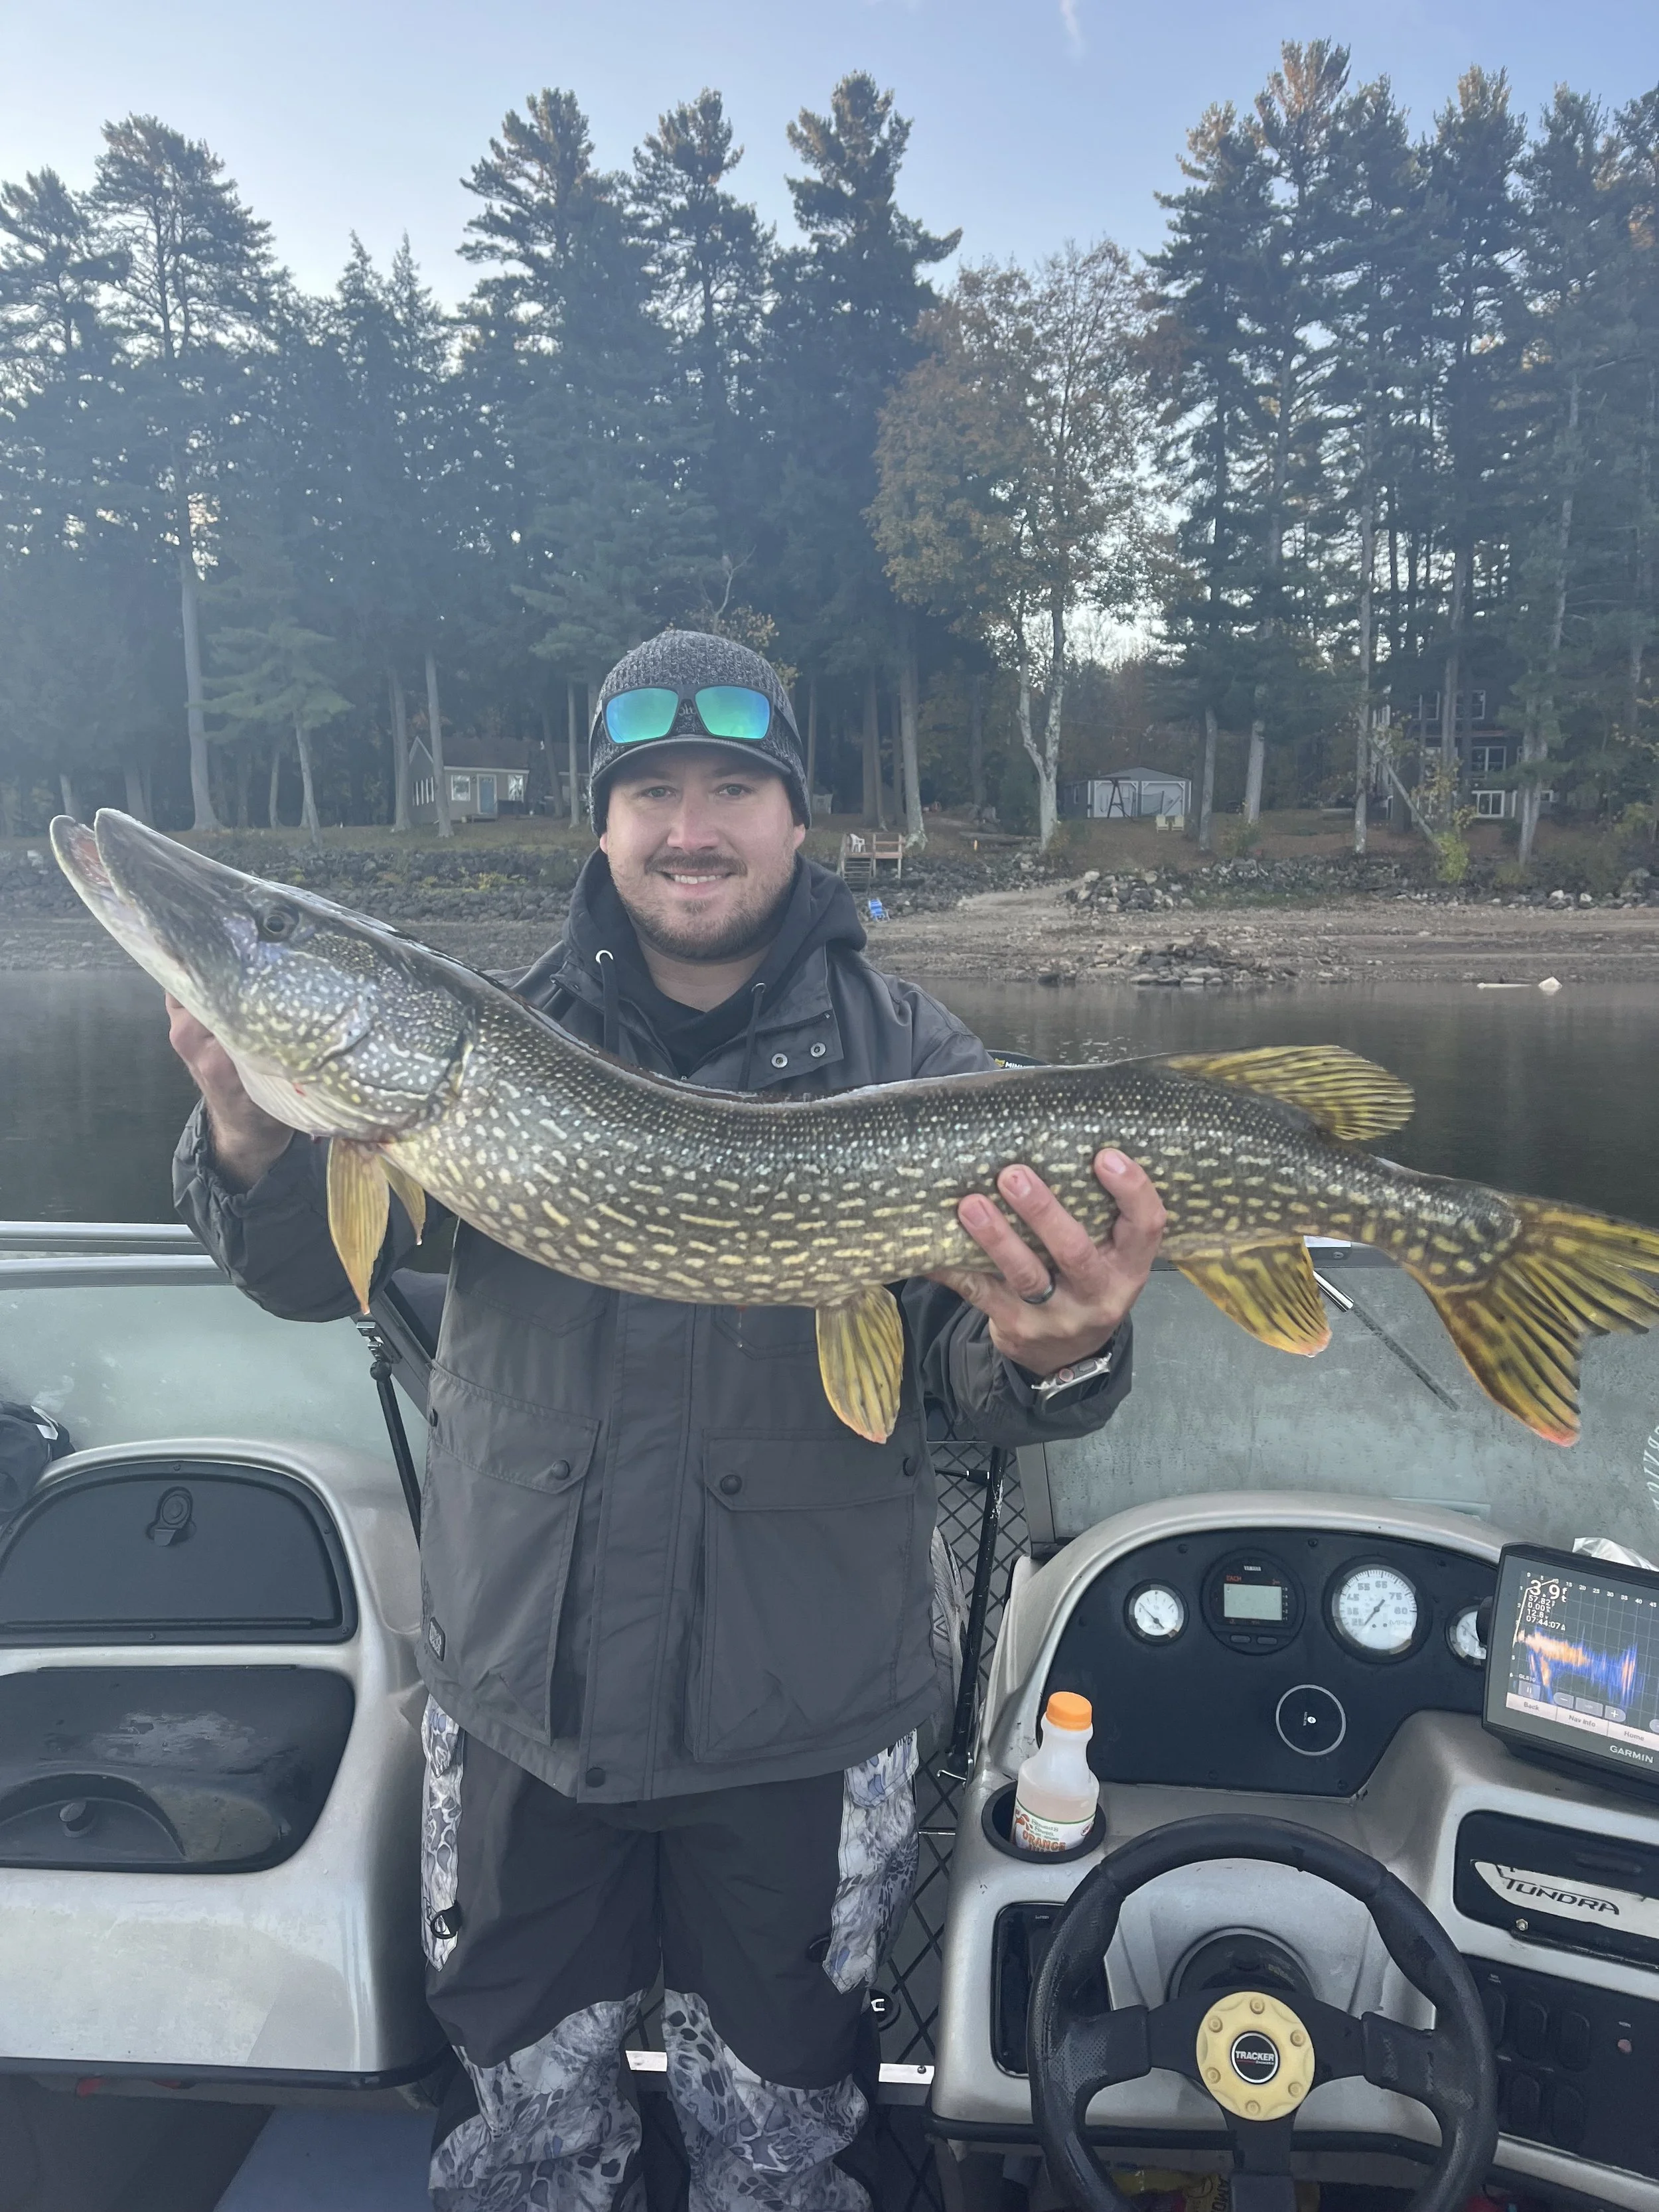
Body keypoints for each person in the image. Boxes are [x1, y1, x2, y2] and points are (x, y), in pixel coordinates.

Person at [169, 631, 1165, 2212]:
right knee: (520, 2137)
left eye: (730, 790)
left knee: (778, 2137)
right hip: (520, 1707)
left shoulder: (919, 1061)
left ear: (794, 819)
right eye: (650, 794)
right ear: (602, 824)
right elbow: (310, 1276)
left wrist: (1068, 1339)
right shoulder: (469, 1048)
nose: (688, 828)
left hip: (801, 1722)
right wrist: (248, 1133)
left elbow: (980, 1382)